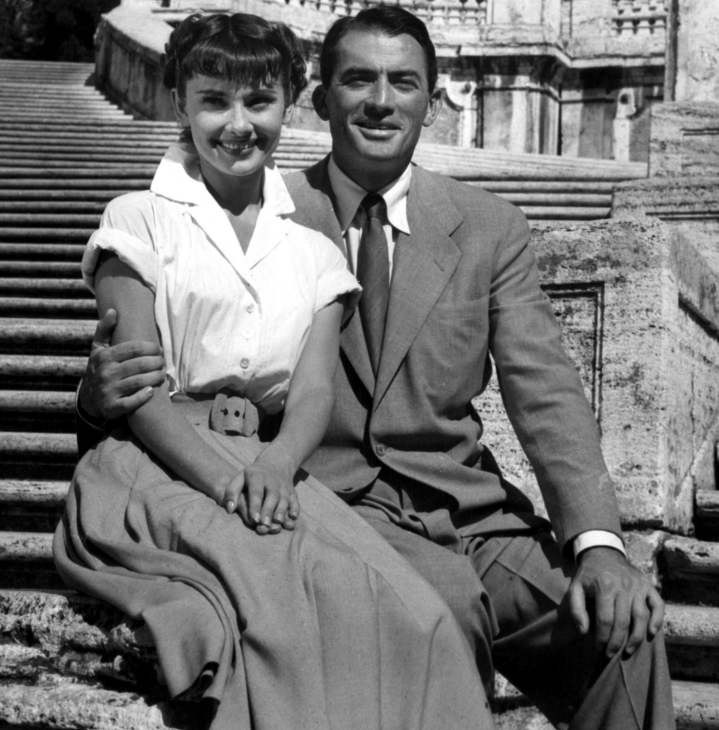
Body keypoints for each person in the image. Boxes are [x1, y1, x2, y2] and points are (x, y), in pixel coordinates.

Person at [79, 6, 675, 729]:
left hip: (472, 514)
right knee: (442, 615)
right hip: (335, 507)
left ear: (434, 101)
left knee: (625, 634)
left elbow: (547, 393)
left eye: (404, 83)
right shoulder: (263, 214)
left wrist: (598, 545)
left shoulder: (490, 227)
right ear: (320, 98)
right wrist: (96, 399)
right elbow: (188, 361)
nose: (381, 102)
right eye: (359, 80)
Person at [53, 13, 495, 730]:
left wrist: (277, 464)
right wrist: (225, 480)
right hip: (159, 461)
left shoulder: (313, 251)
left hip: (270, 467)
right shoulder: (138, 218)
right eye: (214, 101)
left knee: (420, 612)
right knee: (293, 610)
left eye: (258, 101)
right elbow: (138, 386)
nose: (238, 124)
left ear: (289, 104)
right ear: (179, 103)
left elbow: (314, 390)